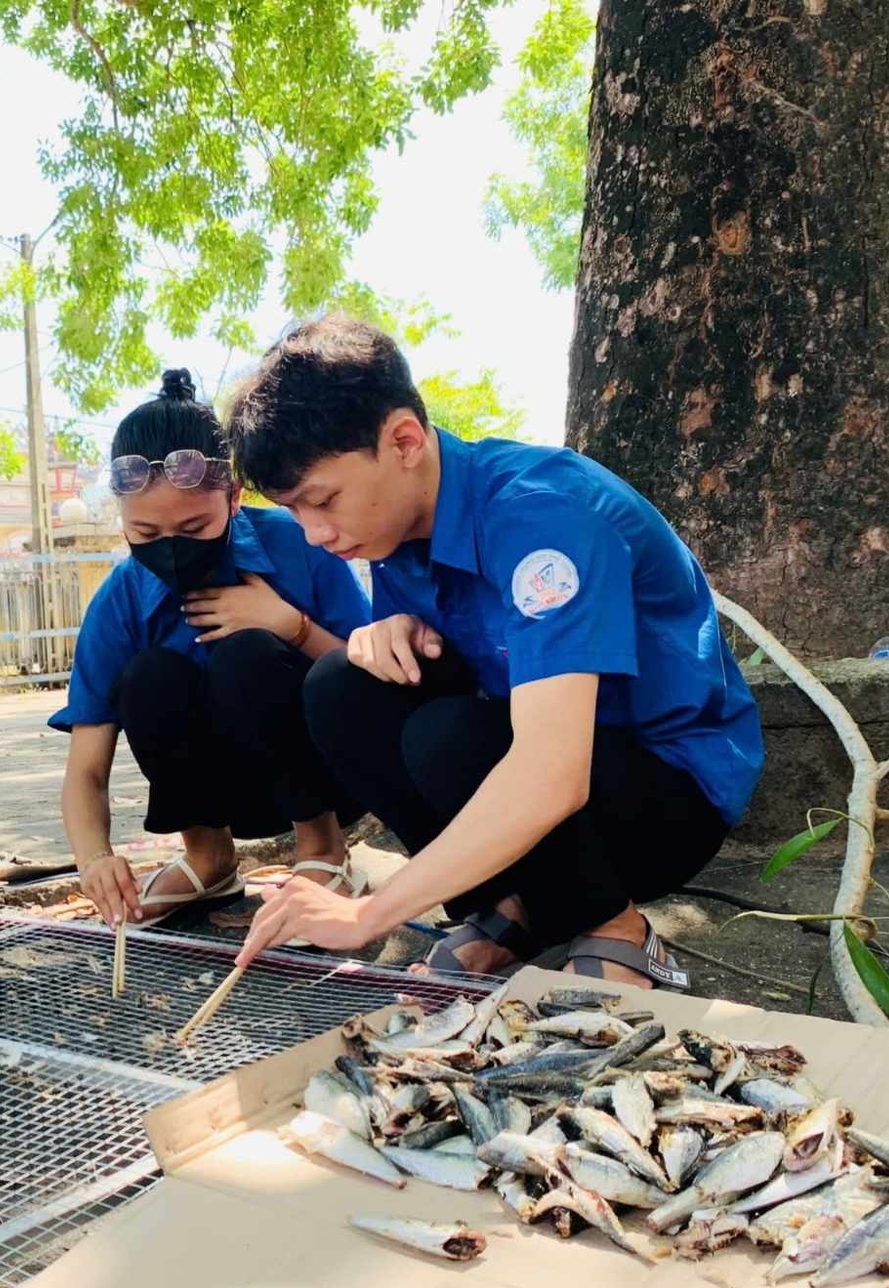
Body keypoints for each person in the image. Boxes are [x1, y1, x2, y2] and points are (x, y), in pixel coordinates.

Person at [228, 314, 763, 989]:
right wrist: (385, 637)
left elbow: (551, 770)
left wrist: (371, 914)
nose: (313, 535)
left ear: (403, 439)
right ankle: (507, 912)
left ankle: (614, 928)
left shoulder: (543, 516)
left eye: (322, 501)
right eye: (295, 511)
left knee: (446, 737)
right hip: (555, 773)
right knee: (342, 686)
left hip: (667, 793)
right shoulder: (393, 533)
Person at [55, 370, 373, 929]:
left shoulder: (304, 544)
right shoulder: (121, 598)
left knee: (244, 656)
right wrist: (94, 858)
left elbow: (371, 676)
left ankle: (323, 852)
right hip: (224, 792)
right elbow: (86, 768)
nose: (171, 547)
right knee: (148, 675)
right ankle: (209, 859)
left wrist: (291, 626)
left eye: (196, 525)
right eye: (147, 534)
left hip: (325, 775)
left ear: (234, 495)